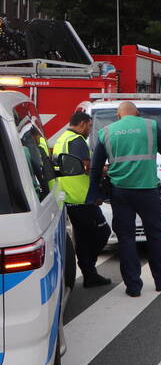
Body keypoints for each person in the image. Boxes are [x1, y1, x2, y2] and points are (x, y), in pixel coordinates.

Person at [87, 102, 161, 297]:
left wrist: (95, 193)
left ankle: (133, 287)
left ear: (118, 116)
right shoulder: (151, 126)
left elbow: (96, 166)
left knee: (126, 238)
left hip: (121, 192)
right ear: (138, 113)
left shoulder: (106, 132)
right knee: (156, 236)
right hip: (148, 190)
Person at [53, 111, 112, 287]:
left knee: (83, 237)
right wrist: (104, 170)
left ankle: (89, 274)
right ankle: (88, 269)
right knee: (102, 233)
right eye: (90, 126)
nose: (89, 130)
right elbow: (88, 168)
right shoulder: (77, 141)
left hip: (69, 196)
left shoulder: (62, 139)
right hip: (82, 198)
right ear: (83, 123)